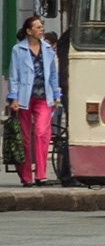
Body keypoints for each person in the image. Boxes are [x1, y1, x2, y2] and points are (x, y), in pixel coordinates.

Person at [6, 15, 61, 187]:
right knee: (24, 138)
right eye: (37, 27)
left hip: (44, 97)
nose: (41, 29)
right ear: (29, 31)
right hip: (24, 97)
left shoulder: (48, 50)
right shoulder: (18, 50)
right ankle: (26, 176)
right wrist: (13, 98)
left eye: (41, 27)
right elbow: (13, 76)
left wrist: (57, 95)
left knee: (40, 133)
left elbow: (53, 75)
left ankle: (41, 174)